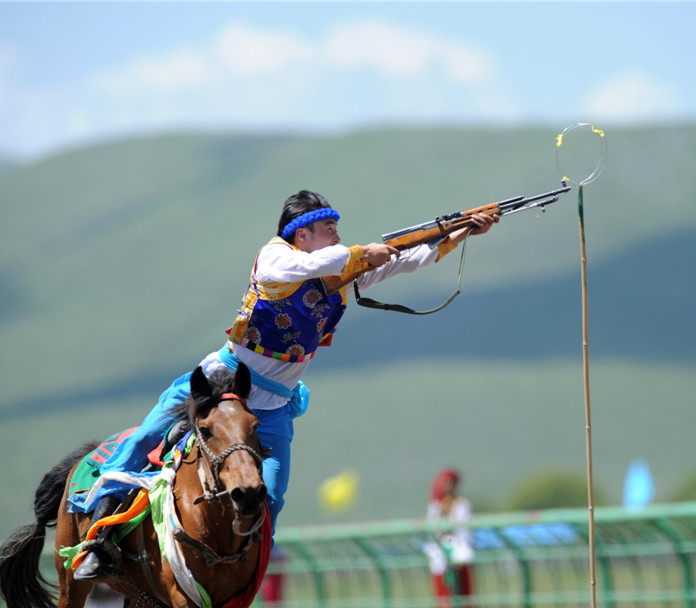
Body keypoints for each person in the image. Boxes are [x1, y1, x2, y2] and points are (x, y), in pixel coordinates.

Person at [70, 189, 498, 581]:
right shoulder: (275, 257)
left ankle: (237, 574)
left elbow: (407, 259)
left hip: (274, 405)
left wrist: (460, 232)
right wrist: (360, 253)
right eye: (327, 227)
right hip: (221, 384)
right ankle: (96, 537)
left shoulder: (340, 271)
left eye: (336, 228)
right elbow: (310, 266)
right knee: (144, 437)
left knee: (271, 496)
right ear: (301, 234)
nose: (337, 234)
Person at [423, 468, 478, 608]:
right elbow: (432, 529)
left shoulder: (461, 504)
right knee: (443, 593)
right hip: (440, 551)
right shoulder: (435, 506)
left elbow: (464, 529)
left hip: (458, 548)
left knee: (462, 590)